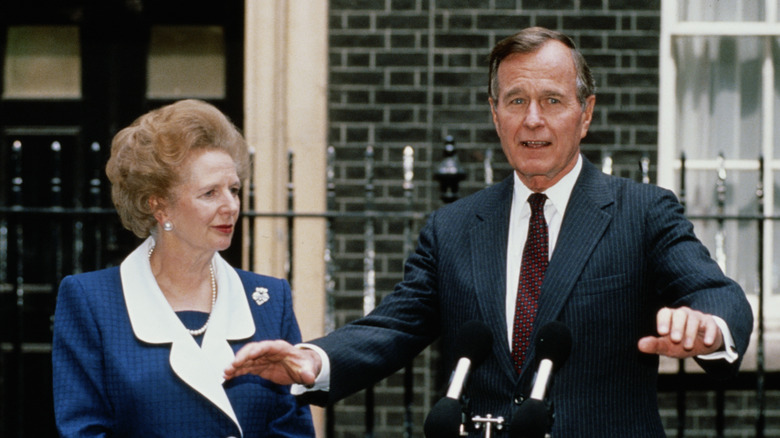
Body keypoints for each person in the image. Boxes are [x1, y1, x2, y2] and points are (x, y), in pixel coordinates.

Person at [224, 28, 754, 437]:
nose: (533, 121)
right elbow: (393, 327)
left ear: (585, 114)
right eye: (517, 101)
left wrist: (707, 327)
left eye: (552, 100)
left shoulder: (641, 212)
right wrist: (312, 360)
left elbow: (717, 294)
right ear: (495, 113)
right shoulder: (453, 227)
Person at [52, 99, 315, 437]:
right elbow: (83, 430)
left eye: (233, 190)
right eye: (210, 193)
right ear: (159, 206)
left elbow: (292, 429)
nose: (231, 206)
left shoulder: (269, 300)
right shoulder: (92, 301)